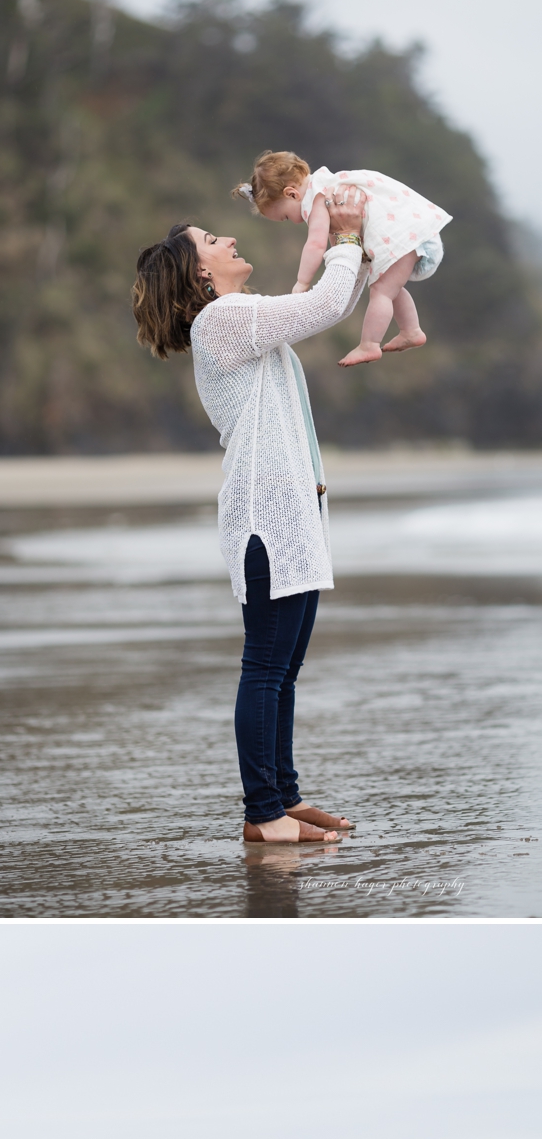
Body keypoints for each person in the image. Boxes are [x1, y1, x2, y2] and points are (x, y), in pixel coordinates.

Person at [132, 197, 371, 848]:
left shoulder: (238, 321)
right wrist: (347, 232)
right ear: (199, 276)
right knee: (265, 668)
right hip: (268, 519)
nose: (230, 237)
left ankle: (284, 800)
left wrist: (344, 245)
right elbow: (325, 305)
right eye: (213, 238)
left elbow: (308, 297)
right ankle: (263, 812)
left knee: (281, 670)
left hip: (290, 515)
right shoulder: (223, 320)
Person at [239, 150, 449, 366]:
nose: (291, 221)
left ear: (292, 194)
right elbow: (337, 239)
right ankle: (411, 330)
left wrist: (302, 282)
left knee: (381, 292)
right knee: (389, 288)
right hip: (415, 233)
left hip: (406, 235)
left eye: (285, 216)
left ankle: (370, 344)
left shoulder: (318, 198)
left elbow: (316, 244)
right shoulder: (329, 182)